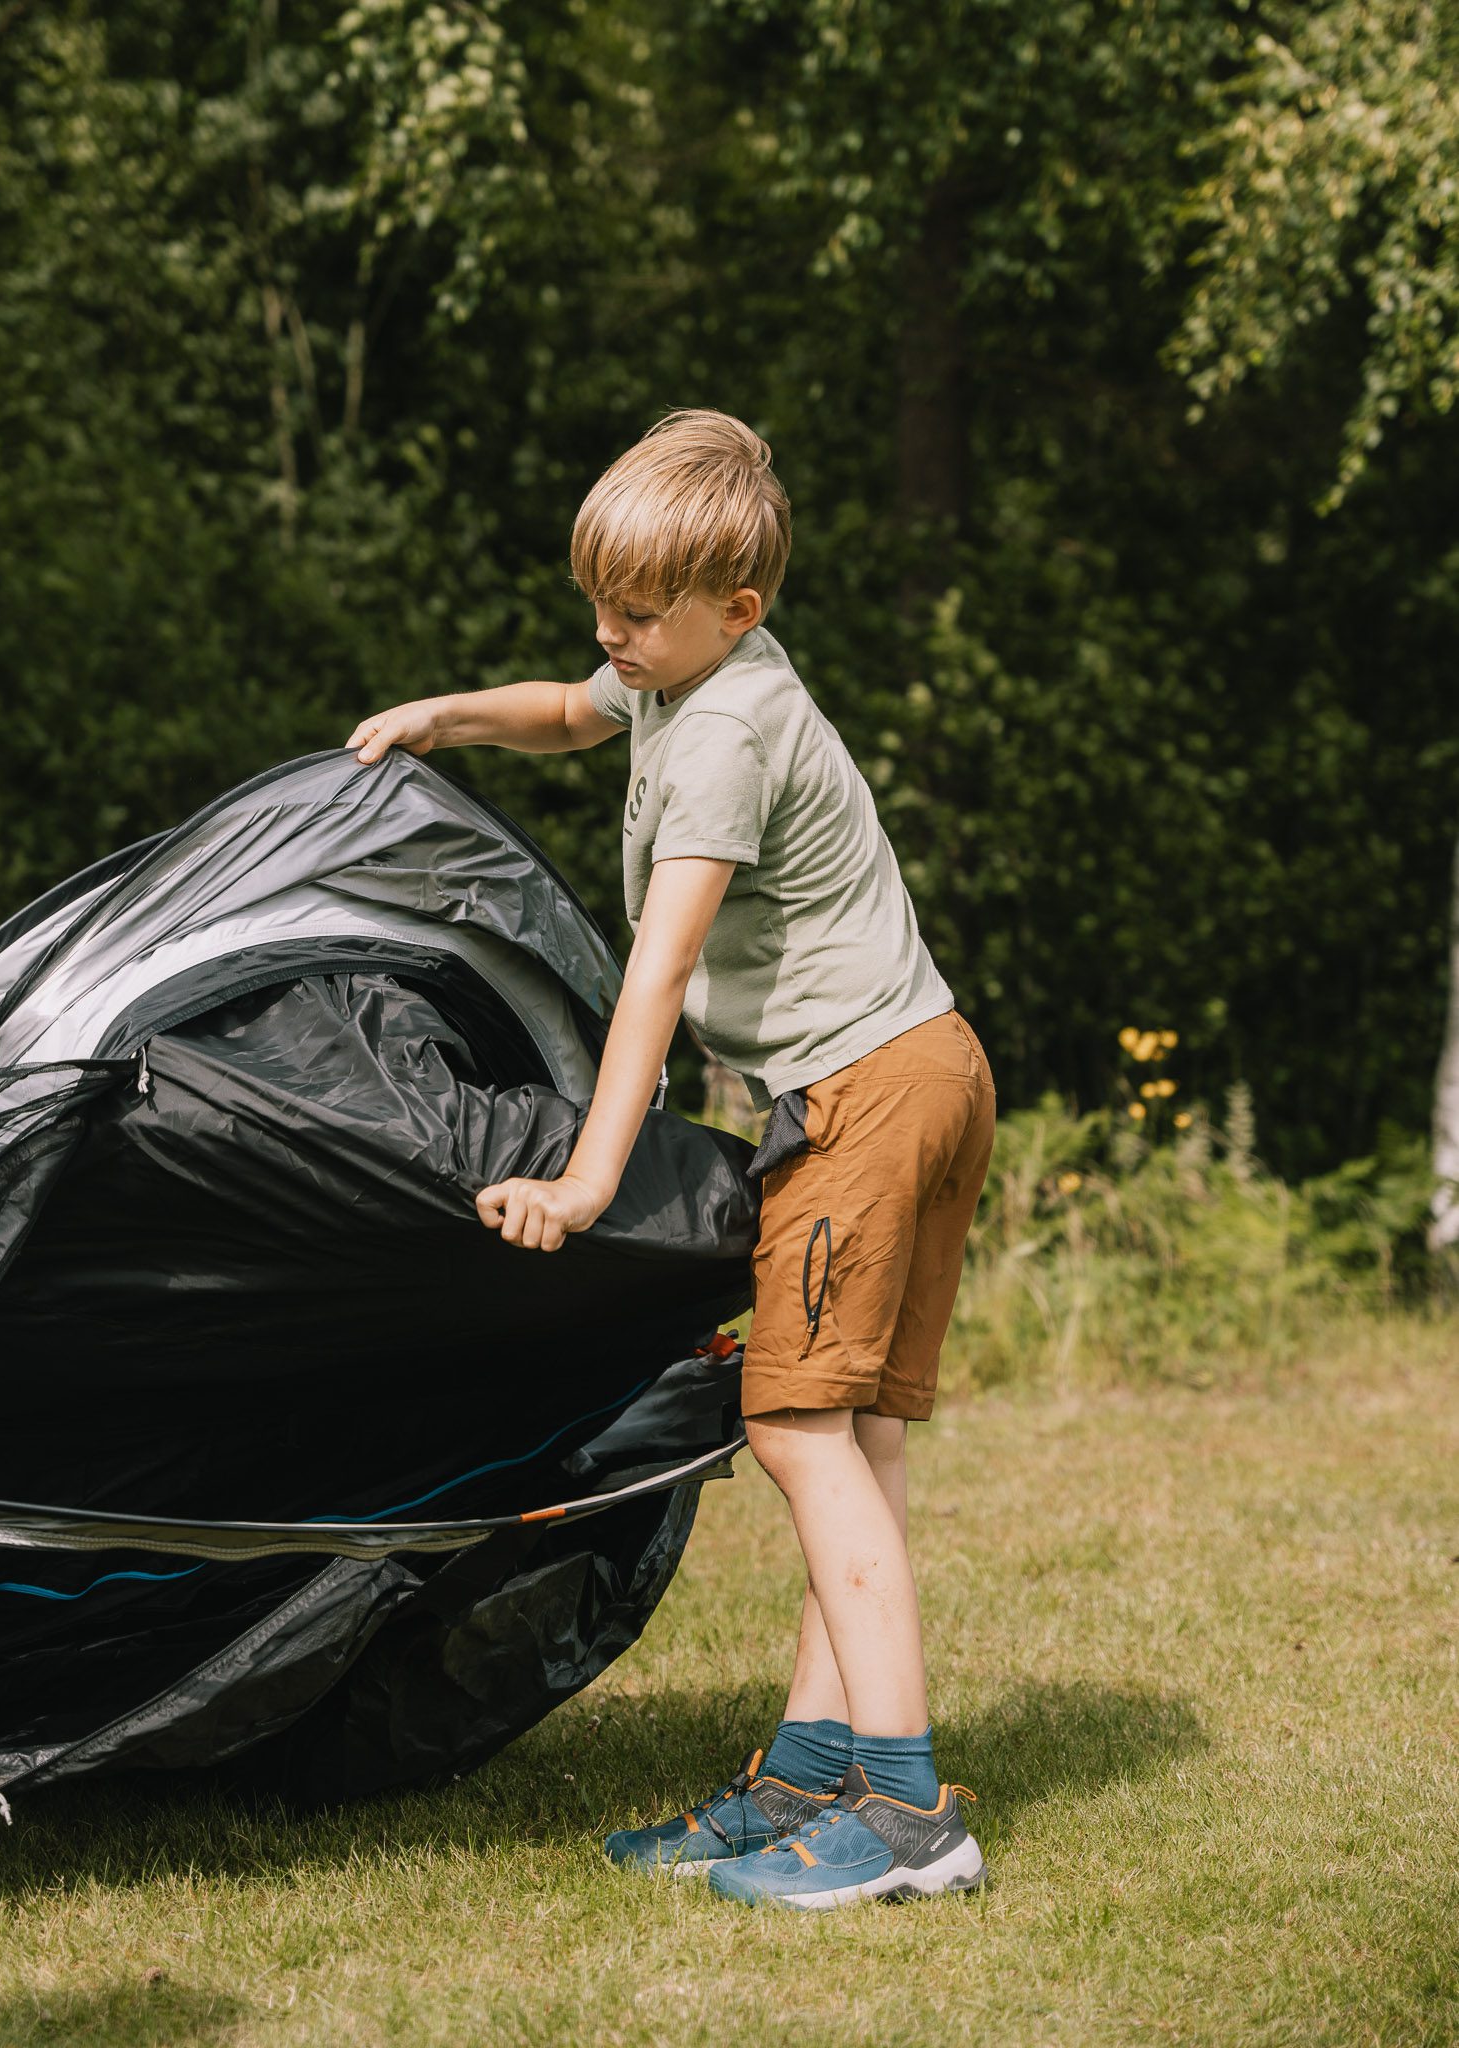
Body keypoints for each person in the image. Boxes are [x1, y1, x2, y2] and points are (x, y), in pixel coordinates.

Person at [344, 408, 995, 1910]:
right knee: (854, 1440)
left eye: (634, 614)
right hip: (923, 1063)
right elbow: (574, 711)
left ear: (736, 609)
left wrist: (583, 1181)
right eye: (600, 607)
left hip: (864, 1097)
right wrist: (447, 715)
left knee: (798, 1433)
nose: (607, 636)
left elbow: (657, 969)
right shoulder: (685, 678)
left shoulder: (718, 736)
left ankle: (905, 1817)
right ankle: (805, 1777)